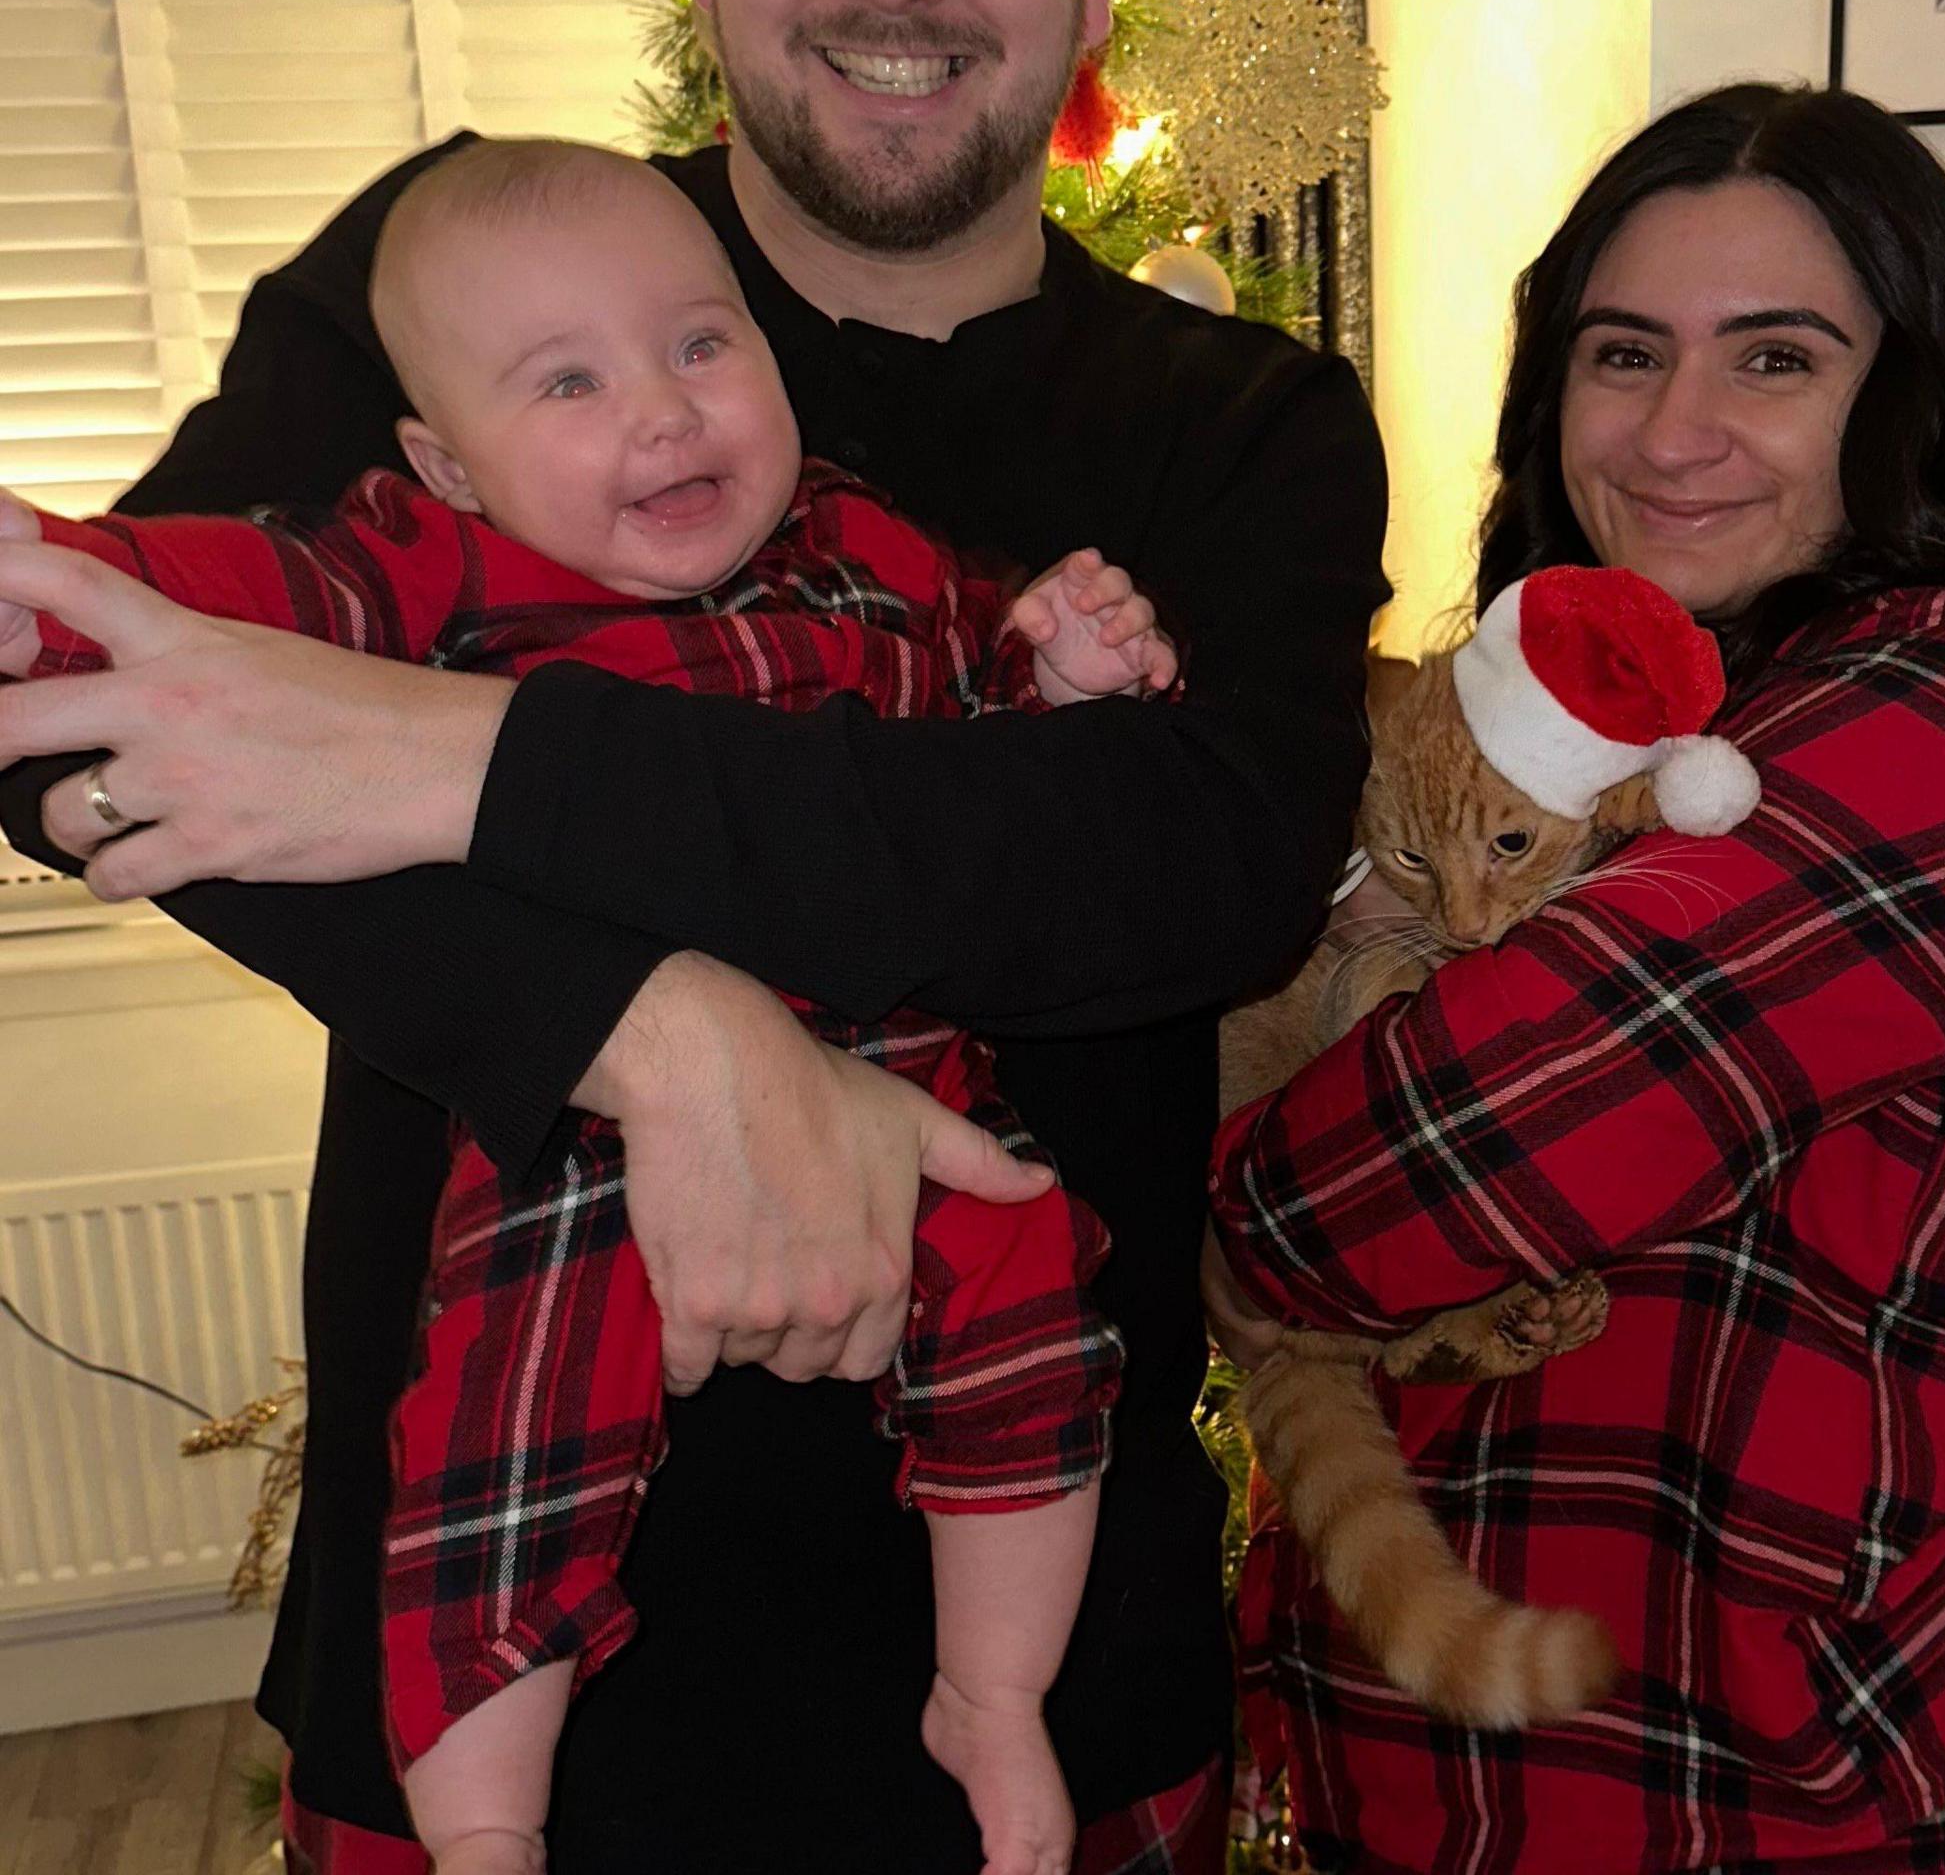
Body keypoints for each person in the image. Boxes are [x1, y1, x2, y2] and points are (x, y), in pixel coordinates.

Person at [0, 0, 1389, 1873]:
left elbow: (1178, 873)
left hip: (1038, 1683)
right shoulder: (454, 288)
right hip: (495, 1681)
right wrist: (654, 1021)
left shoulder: (1237, 422)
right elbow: (78, 713)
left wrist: (450, 759)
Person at [2, 135, 1190, 1875]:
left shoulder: (859, 543)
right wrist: (53, 585)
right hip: (575, 1121)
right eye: (568, 381)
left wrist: (1060, 665)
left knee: (1032, 1295)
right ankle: (486, 1820)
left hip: (912, 1081)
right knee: (508, 1422)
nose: (664, 411)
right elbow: (222, 604)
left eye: (704, 347)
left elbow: (985, 726)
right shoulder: (432, 570)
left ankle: (991, 1696)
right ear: (447, 465)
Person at [1204, 82, 1945, 1874]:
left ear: (1914, 397)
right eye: (1624, 353)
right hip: (1427, 1749)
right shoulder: (1556, 720)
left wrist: (1228, 1206)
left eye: (1778, 361)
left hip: (1764, 1783)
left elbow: (1444, 1158)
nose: (1674, 433)